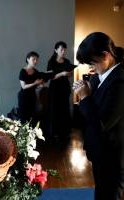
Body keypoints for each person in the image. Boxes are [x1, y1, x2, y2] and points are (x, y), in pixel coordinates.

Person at [73, 32, 124, 200]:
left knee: (109, 194)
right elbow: (88, 116)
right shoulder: (99, 77)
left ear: (106, 55)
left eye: (93, 62)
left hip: (113, 156)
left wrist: (85, 97)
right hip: (100, 152)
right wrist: (85, 93)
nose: (91, 68)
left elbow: (102, 123)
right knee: (101, 192)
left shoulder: (120, 81)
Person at [47, 41, 75, 143]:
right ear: (56, 50)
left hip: (64, 87)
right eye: (61, 50)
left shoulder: (67, 61)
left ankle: (65, 132)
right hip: (55, 88)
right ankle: (54, 133)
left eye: (64, 50)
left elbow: (70, 74)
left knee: (64, 109)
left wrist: (69, 73)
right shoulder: (52, 61)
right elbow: (51, 77)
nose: (63, 52)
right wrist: (62, 73)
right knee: (55, 110)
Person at [18, 51, 52, 126]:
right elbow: (24, 87)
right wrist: (35, 83)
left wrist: (41, 83)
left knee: (32, 117)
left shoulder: (36, 72)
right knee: (23, 117)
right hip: (24, 97)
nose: (35, 61)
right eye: (33, 59)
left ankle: (31, 136)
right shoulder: (23, 71)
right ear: (28, 59)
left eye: (37, 59)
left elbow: (40, 84)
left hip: (32, 96)